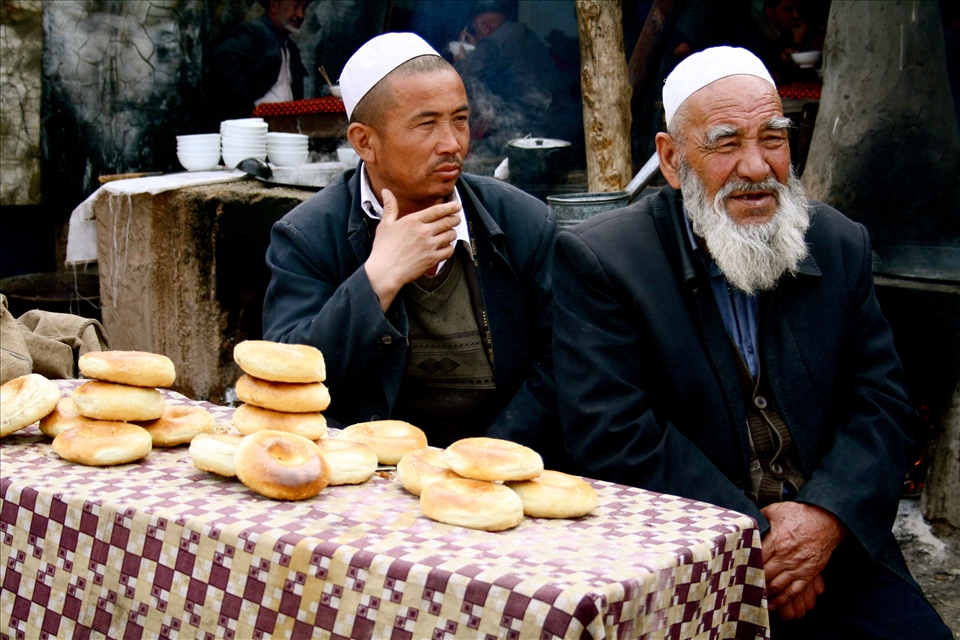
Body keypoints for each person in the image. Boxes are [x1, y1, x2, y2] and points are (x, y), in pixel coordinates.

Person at [551, 46, 952, 639]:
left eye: (773, 137)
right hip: (687, 555)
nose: (758, 167)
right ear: (670, 158)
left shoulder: (838, 244)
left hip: (829, 544)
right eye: (725, 142)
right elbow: (616, 435)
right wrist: (759, 543)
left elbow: (883, 404)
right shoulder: (605, 261)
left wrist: (823, 519)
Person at [262, 33, 566, 466]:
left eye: (460, 120)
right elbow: (287, 379)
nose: (452, 144)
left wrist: (484, 460)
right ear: (364, 141)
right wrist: (377, 280)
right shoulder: (308, 235)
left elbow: (559, 368)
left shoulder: (523, 223)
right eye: (426, 125)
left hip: (501, 469)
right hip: (366, 476)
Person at [452, 1, 581, 155]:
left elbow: (461, 78)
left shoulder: (492, 43)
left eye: (476, 29)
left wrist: (460, 60)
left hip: (529, 130)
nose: (477, 35)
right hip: (561, 125)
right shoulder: (523, 33)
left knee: (472, 152)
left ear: (486, 27)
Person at [210, 0, 309, 122]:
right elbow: (224, 59)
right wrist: (247, 111)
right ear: (274, 5)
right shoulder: (253, 33)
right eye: (296, 7)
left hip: (284, 130)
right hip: (256, 130)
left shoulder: (290, 47)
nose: (301, 15)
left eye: (303, 9)